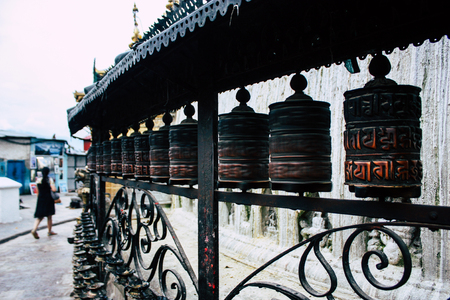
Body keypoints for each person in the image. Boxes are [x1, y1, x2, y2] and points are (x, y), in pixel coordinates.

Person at [31, 167, 57, 239]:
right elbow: (54, 189)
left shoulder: (38, 180)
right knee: (49, 216)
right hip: (48, 199)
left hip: (41, 199)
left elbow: (37, 192)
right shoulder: (49, 180)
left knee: (39, 217)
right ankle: (49, 231)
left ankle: (34, 229)